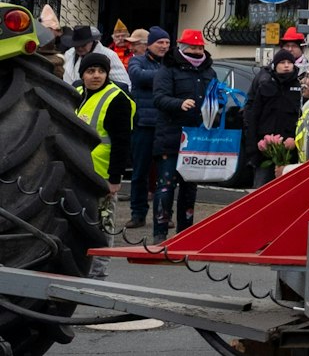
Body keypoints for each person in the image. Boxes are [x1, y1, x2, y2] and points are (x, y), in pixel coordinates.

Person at [151, 29, 217, 241]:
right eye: (193, 47)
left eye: (200, 47)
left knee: (190, 188)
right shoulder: (168, 69)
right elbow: (159, 98)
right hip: (171, 136)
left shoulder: (209, 72)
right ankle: (160, 234)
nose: (197, 51)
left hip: (197, 138)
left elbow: (217, 97)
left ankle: (185, 234)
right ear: (182, 47)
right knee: (166, 185)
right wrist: (179, 104)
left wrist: (217, 107)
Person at [74, 53, 134, 235]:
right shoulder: (76, 94)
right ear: (82, 74)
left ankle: (98, 265)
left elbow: (121, 143)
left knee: (102, 230)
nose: (97, 75)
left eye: (101, 71)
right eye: (91, 71)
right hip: (77, 172)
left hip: (102, 177)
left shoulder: (117, 99)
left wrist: (115, 179)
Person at [124, 27, 170, 229]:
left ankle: (164, 216)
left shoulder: (171, 64)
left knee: (165, 175)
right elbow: (138, 76)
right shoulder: (137, 61)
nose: (164, 46)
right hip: (143, 124)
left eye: (167, 43)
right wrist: (165, 76)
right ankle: (138, 214)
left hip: (165, 126)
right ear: (150, 44)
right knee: (140, 173)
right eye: (160, 42)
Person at [244, 51, 304, 186]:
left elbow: (302, 117)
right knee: (262, 186)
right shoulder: (266, 85)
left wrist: (295, 141)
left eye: (289, 63)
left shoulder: (299, 87)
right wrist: (253, 147)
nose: (286, 66)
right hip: (265, 146)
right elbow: (254, 115)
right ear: (275, 65)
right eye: (282, 63)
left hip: (290, 146)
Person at [62, 25, 131, 92]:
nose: (79, 48)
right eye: (76, 45)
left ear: (91, 42)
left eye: (83, 45)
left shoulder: (109, 55)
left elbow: (123, 84)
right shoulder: (69, 53)